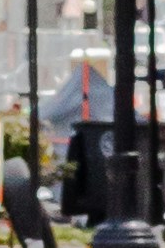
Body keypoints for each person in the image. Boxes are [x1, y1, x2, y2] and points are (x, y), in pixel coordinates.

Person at [43, 42, 115, 223]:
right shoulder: (85, 91)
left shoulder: (92, 92)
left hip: (74, 150)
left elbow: (45, 113)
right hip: (69, 150)